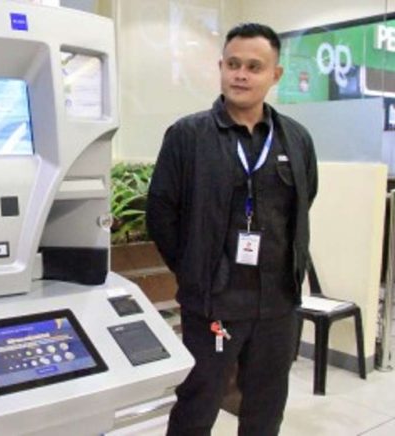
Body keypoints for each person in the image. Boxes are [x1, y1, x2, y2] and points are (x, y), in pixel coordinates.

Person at [146, 23, 318, 436]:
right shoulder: (188, 136)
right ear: (221, 67)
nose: (241, 74)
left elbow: (305, 199)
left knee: (266, 404)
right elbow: (161, 213)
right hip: (214, 302)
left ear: (275, 75)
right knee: (198, 401)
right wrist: (193, 269)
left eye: (254, 67)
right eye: (233, 64)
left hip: (278, 303)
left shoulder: (295, 139)